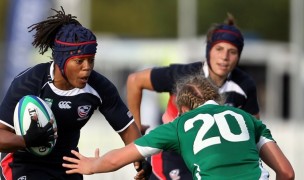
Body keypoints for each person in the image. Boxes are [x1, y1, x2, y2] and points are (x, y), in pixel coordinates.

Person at [0, 7, 151, 180]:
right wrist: (26, 140)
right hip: (24, 165)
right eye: (79, 61)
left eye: (91, 60)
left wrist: (140, 159)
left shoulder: (99, 87)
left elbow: (127, 130)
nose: (87, 67)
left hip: (67, 167)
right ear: (61, 60)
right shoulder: (30, 82)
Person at [62, 75, 295, 180]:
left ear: (181, 108)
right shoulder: (246, 117)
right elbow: (286, 173)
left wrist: (91, 165)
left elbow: (117, 159)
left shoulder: (180, 124)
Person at [126, 13, 260, 179]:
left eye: (232, 52)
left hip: (213, 162)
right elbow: (134, 81)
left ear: (239, 56)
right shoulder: (184, 74)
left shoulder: (244, 85)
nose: (224, 57)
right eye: (219, 49)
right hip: (174, 159)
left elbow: (254, 133)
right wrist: (135, 129)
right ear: (208, 50)